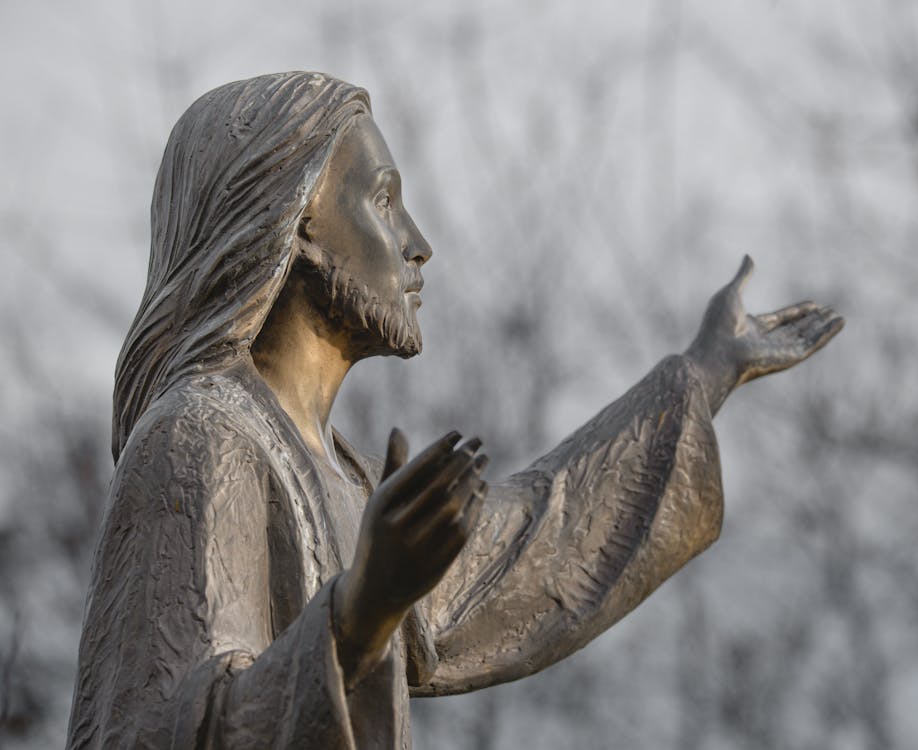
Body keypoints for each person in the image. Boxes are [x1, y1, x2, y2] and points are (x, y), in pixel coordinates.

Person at [67, 71, 843, 749]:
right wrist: (363, 609)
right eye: (382, 200)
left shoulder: (346, 480)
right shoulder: (200, 435)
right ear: (295, 220)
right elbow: (159, 730)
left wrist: (701, 374)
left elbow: (526, 553)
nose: (418, 244)